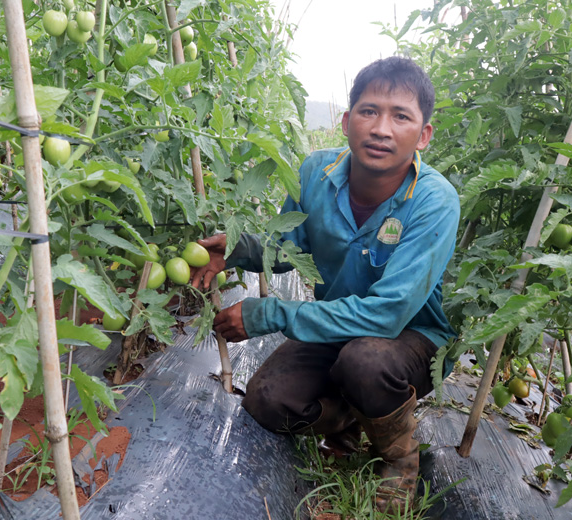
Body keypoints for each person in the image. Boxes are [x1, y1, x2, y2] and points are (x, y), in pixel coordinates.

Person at [191, 56, 460, 513]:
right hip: (337, 324)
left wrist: (270, 314)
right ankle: (352, 417)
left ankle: (398, 460)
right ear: (346, 120)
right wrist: (235, 249)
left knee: (366, 361)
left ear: (424, 135)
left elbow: (387, 313)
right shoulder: (314, 173)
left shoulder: (435, 201)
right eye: (369, 111)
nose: (381, 128)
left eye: (401, 116)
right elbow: (286, 247)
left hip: (412, 339)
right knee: (268, 402)